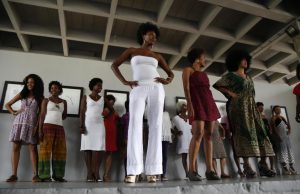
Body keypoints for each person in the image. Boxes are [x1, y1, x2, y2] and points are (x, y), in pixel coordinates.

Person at [111, 22, 174, 183]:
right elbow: (114, 65)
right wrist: (125, 81)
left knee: (156, 126)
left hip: (156, 87)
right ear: (143, 35)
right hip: (138, 87)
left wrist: (166, 80)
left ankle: (153, 171)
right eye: (150, 34)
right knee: (134, 125)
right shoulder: (132, 51)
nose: (153, 37)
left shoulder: (158, 56)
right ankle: (133, 171)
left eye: (155, 35)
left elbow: (170, 74)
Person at [213, 50, 275, 178]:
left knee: (262, 133)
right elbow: (217, 85)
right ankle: (247, 166)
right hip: (238, 108)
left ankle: (263, 164)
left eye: (246, 59)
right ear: (236, 61)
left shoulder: (249, 77)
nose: (245, 61)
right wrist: (230, 94)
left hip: (252, 108)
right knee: (243, 134)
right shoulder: (231, 75)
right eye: (242, 59)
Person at [182, 48, 220, 181]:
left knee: (209, 135)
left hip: (208, 103)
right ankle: (192, 170)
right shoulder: (188, 70)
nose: (205, 60)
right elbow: (186, 88)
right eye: (203, 57)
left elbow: (207, 91)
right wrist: (189, 105)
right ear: (198, 58)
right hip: (196, 103)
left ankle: (210, 170)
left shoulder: (204, 74)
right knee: (198, 134)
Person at [5, 74, 44, 182]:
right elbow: (7, 104)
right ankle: (14, 175)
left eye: (32, 82)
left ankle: (36, 175)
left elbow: (41, 114)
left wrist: (37, 126)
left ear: (36, 84)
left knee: (32, 148)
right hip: (19, 123)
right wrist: (13, 112)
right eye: (27, 82)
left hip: (32, 124)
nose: (29, 84)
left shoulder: (40, 98)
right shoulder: (22, 94)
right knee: (16, 148)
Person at [38, 81, 67, 182]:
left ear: (59, 89)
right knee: (45, 152)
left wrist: (57, 115)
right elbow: (42, 115)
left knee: (60, 152)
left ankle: (58, 176)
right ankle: (44, 176)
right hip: (47, 127)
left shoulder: (64, 102)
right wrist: (40, 130)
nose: (54, 90)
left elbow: (64, 116)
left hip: (60, 128)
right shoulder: (46, 100)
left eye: (56, 88)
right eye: (52, 88)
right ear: (50, 90)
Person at [80, 78, 105, 182]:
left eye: (101, 85)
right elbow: (81, 112)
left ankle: (96, 172)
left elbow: (111, 110)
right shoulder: (86, 97)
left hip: (99, 126)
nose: (100, 87)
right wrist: (81, 125)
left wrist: (105, 114)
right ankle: (89, 173)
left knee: (97, 149)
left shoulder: (103, 98)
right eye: (98, 85)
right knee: (87, 148)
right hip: (88, 125)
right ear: (93, 86)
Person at [271, 106, 297, 175]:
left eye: (279, 109)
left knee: (289, 151)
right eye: (277, 109)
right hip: (280, 136)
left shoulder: (283, 117)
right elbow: (273, 128)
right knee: (282, 152)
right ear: (274, 111)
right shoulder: (273, 118)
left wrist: (289, 130)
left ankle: (291, 167)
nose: (278, 110)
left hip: (286, 137)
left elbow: (288, 126)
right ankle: (285, 168)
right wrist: (278, 136)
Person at [172, 101, 192, 179]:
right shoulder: (175, 118)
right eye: (184, 106)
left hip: (191, 138)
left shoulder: (190, 117)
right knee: (184, 156)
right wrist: (176, 132)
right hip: (182, 139)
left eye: (186, 106)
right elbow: (171, 127)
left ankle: (193, 171)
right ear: (180, 107)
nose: (186, 107)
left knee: (192, 156)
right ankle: (187, 173)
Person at [256, 102, 278, 174]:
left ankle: (272, 167)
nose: (262, 108)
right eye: (260, 107)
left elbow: (268, 125)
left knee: (271, 152)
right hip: (260, 136)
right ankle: (264, 167)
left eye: (262, 107)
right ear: (256, 108)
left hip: (267, 135)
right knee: (263, 153)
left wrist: (270, 130)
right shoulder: (255, 116)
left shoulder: (264, 115)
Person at [103, 94, 119, 182]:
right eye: (110, 102)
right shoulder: (104, 110)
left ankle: (105, 175)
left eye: (113, 103)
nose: (111, 104)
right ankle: (102, 175)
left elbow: (118, 117)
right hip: (104, 132)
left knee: (109, 153)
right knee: (102, 153)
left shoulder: (113, 111)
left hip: (111, 133)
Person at [160, 110, 172, 181]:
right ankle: (156, 174)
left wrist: (170, 137)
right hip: (157, 137)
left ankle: (163, 174)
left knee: (165, 156)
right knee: (157, 156)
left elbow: (169, 125)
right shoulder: (153, 111)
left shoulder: (166, 113)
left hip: (166, 137)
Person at [120, 100, 130, 178]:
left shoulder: (124, 117)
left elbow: (122, 128)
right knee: (129, 157)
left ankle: (128, 175)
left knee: (127, 157)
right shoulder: (126, 117)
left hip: (126, 139)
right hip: (128, 139)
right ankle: (129, 175)